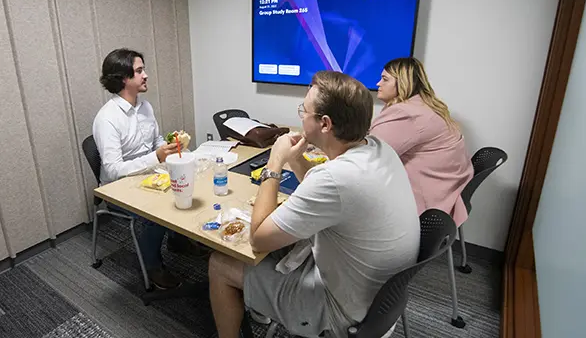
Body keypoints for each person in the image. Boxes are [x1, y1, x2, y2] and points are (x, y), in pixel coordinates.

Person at [208, 71, 420, 337]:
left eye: (304, 111)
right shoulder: (378, 148)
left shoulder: (335, 178)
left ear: (325, 124)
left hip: (341, 312)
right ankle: (259, 303)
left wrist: (274, 163)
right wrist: (295, 160)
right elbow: (329, 192)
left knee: (220, 263)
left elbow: (258, 239)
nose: (301, 116)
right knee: (284, 247)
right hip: (378, 302)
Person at [93, 48, 197, 289]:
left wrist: (169, 147)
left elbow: (156, 141)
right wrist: (156, 157)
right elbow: (112, 170)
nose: (146, 75)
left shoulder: (145, 107)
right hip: (117, 188)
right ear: (123, 79)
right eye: (139, 71)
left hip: (148, 177)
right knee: (157, 212)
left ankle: (177, 241)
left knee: (186, 184)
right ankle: (152, 267)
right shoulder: (107, 119)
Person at [370, 57, 474, 227]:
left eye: (385, 79)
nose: (378, 83)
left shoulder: (407, 114)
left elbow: (368, 157)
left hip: (426, 204)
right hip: (446, 191)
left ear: (403, 83)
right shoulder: (426, 106)